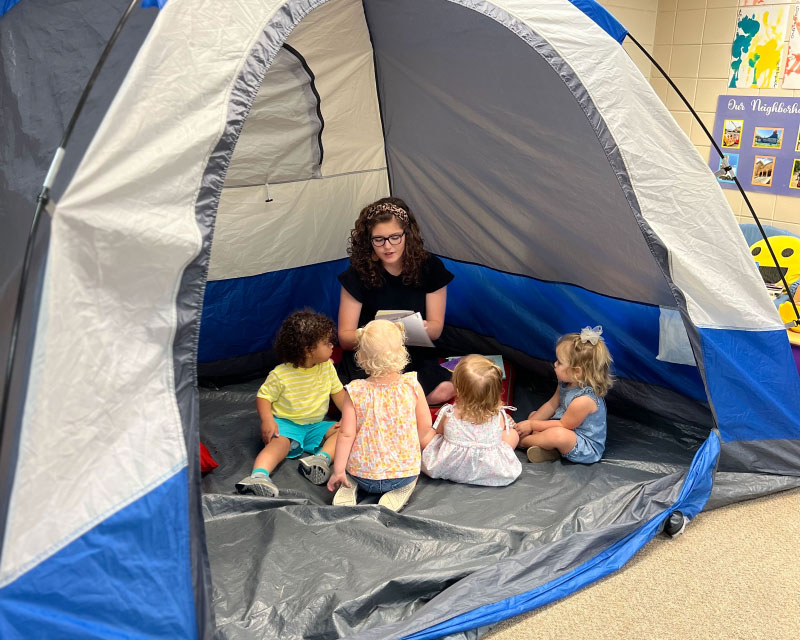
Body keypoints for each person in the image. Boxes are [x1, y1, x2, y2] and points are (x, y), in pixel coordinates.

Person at [337, 197, 455, 404]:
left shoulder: (430, 267)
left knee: (444, 390)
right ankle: (395, 402)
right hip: (371, 355)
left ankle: (389, 402)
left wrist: (422, 328)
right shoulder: (357, 273)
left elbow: (436, 329)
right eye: (379, 239)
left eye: (394, 237)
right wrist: (374, 335)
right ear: (369, 241)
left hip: (411, 353)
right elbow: (345, 338)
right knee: (351, 395)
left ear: (407, 235)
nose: (387, 246)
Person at [236, 311, 346, 497]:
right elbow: (263, 397)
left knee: (343, 431)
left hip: (315, 426)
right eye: (327, 342)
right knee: (279, 444)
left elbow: (339, 394)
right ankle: (258, 476)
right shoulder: (281, 374)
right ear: (308, 350)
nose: (332, 346)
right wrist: (268, 420)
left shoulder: (327, 368)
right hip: (286, 426)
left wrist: (348, 417)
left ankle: (320, 460)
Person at [326, 320, 432, 512]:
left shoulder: (356, 390)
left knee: (352, 466)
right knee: (411, 473)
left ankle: (349, 482)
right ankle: (404, 487)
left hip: (362, 475)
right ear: (402, 352)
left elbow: (346, 435)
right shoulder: (412, 385)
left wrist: (339, 470)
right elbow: (425, 427)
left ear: (361, 357)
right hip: (402, 475)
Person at [514, 326, 613, 464]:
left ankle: (523, 442)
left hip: (582, 444)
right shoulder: (565, 382)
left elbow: (563, 425)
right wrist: (530, 423)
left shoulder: (584, 400)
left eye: (559, 362)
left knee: (557, 435)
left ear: (576, 372)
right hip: (564, 424)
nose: (554, 364)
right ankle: (548, 450)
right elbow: (552, 404)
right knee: (534, 414)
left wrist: (530, 427)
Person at [420, 355, 521, 486]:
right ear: (496, 392)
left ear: (458, 390)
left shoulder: (450, 413)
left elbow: (438, 434)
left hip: (450, 467)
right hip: (490, 468)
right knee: (512, 433)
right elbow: (502, 434)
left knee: (431, 436)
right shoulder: (498, 416)